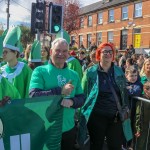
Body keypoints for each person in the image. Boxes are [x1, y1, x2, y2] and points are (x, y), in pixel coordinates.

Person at [29, 38, 85, 150]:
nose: (61, 54)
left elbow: (82, 98)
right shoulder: (40, 71)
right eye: (58, 50)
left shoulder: (74, 75)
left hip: (69, 128)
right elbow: (34, 96)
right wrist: (60, 91)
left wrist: (72, 101)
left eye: (64, 51)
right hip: (46, 129)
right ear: (51, 52)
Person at [80, 42, 132, 150]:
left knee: (115, 146)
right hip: (96, 117)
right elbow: (83, 93)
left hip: (115, 117)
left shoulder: (119, 71)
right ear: (99, 54)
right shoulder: (90, 72)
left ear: (113, 55)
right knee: (96, 145)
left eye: (110, 51)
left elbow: (123, 92)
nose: (108, 54)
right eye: (105, 51)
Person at [1, 26, 32, 98]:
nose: (3, 54)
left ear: (15, 53)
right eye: (3, 52)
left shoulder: (25, 69)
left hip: (20, 108)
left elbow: (29, 92)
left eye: (6, 52)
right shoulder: (1, 71)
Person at [125, 66, 143, 149]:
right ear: (126, 75)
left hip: (133, 111)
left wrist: (128, 89)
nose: (134, 78)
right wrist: (127, 88)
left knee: (131, 128)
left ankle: (129, 145)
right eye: (131, 76)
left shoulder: (138, 83)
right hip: (124, 110)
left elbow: (136, 91)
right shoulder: (124, 83)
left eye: (135, 75)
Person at [135, 81, 150, 150]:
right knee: (141, 145)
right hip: (143, 127)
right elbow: (139, 115)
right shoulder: (142, 100)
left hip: (148, 127)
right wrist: (138, 128)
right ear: (145, 90)